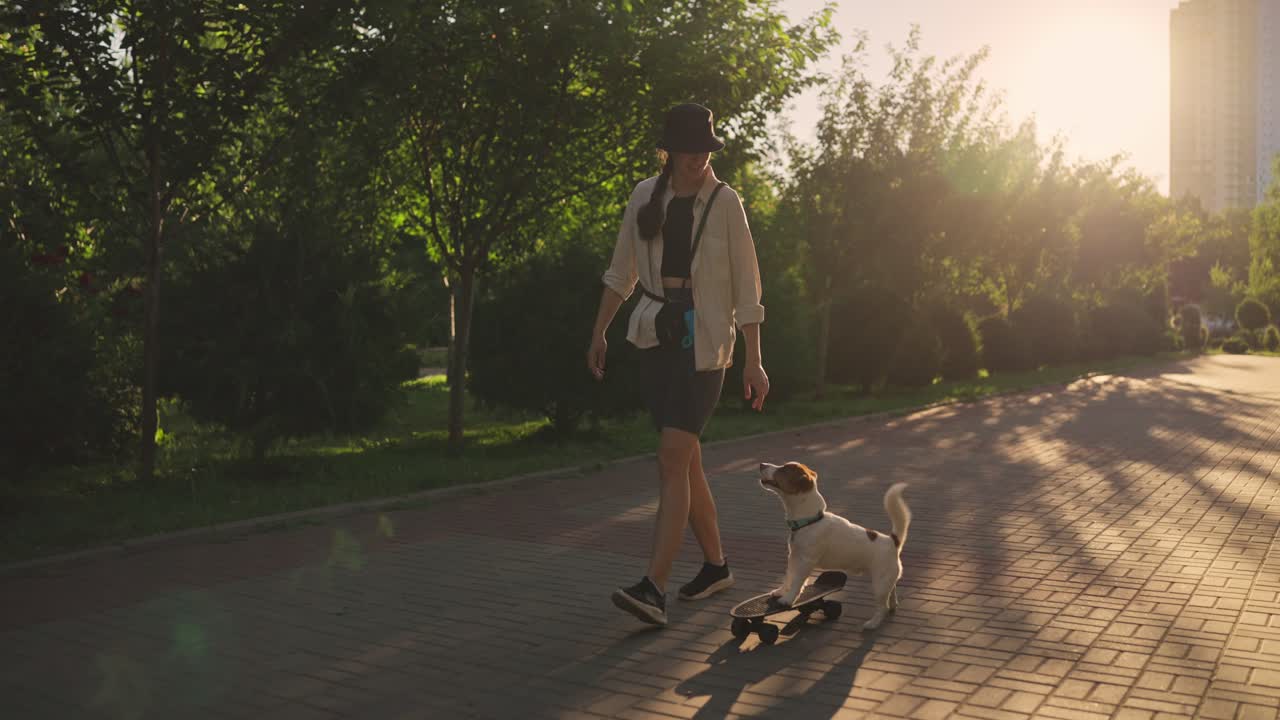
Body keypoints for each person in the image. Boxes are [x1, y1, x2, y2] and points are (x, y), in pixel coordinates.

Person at [587, 102, 769, 626]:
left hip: (706, 344)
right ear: (669, 151)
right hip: (654, 337)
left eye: (704, 151)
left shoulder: (725, 202)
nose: (697, 161)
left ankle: (653, 588)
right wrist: (599, 330)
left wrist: (753, 362)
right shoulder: (645, 195)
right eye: (688, 152)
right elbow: (620, 271)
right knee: (684, 461)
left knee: (671, 457)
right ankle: (717, 566)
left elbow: (748, 288)